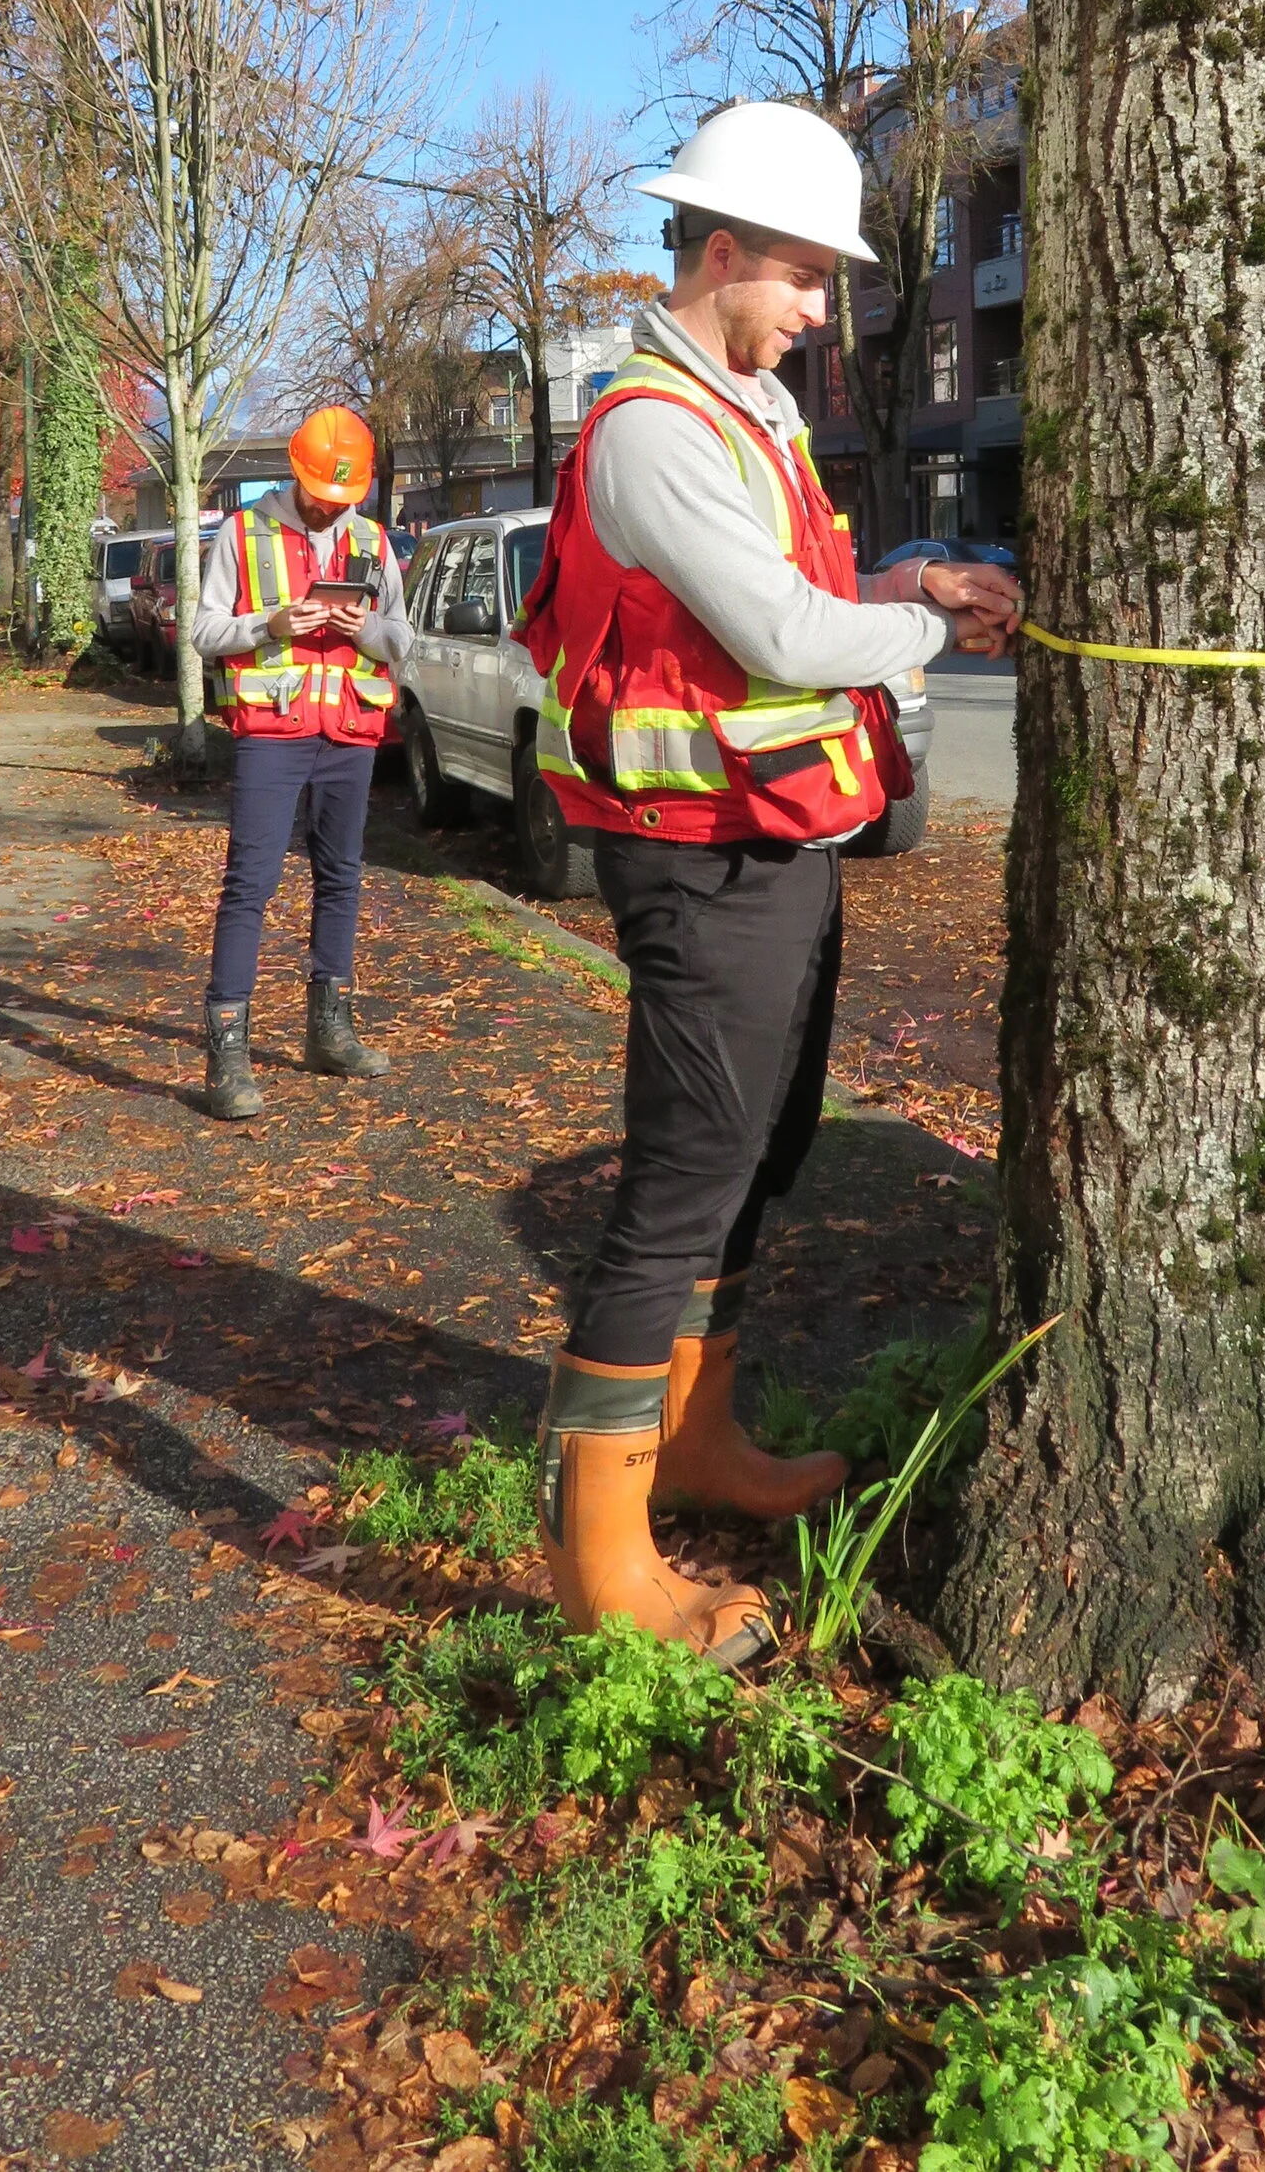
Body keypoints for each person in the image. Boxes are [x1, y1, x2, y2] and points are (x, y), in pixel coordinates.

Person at [516, 101, 1022, 1659]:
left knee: (759, 1156)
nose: (822, 311)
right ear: (720, 253)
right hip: (697, 870)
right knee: (680, 1183)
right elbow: (787, 642)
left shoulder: (751, 413)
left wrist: (906, 580)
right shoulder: (656, 432)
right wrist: (931, 627)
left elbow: (811, 595)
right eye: (805, 275)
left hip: (778, 852)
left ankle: (696, 1440)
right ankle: (594, 1538)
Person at [191, 406, 414, 1120]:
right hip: (273, 731)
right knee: (249, 884)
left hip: (349, 731)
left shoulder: (374, 542)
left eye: (346, 499)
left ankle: (330, 1029)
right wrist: (271, 624)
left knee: (342, 878)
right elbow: (202, 631)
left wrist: (368, 628)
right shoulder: (243, 533)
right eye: (324, 495)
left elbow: (402, 638)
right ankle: (227, 1053)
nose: (333, 510)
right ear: (297, 473)